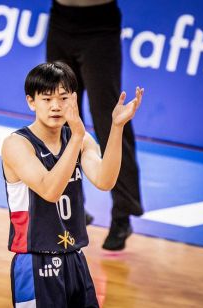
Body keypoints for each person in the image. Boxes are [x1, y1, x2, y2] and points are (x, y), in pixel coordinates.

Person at [1, 62, 143, 307]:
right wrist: (76, 137)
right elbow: (49, 190)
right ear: (31, 102)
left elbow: (105, 180)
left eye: (63, 97)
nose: (56, 106)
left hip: (75, 258)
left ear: (74, 99)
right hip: (36, 262)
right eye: (46, 99)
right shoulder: (17, 144)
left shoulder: (80, 138)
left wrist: (117, 128)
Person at [46, 0, 144, 251]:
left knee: (111, 119)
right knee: (58, 115)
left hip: (99, 26)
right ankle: (70, 206)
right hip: (60, 19)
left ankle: (122, 214)